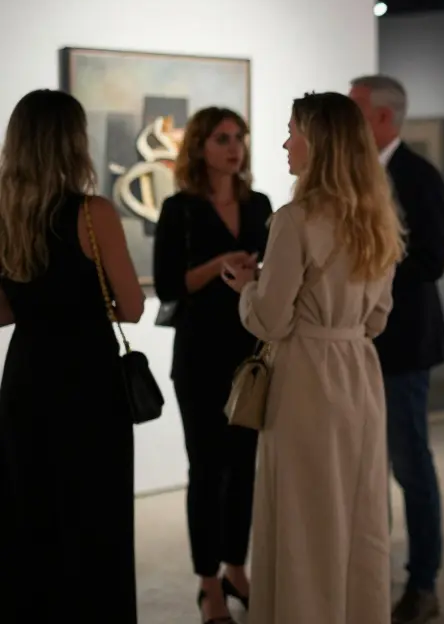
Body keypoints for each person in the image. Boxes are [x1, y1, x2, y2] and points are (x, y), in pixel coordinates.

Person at [222, 92, 401, 624]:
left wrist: (246, 288)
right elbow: (377, 319)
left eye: (292, 131)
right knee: (358, 512)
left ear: (317, 142)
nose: (284, 142)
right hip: (359, 373)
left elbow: (270, 320)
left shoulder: (294, 220)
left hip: (305, 378)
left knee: (304, 517)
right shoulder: (377, 218)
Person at [0, 89, 145, 622]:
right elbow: (130, 307)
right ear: (71, 143)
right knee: (94, 520)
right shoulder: (93, 213)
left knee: (28, 516)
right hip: (87, 383)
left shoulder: (6, 214)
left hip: (25, 379)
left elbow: (3, 312)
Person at [154, 106, 273, 623]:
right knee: (206, 470)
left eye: (239, 138)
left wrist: (255, 271)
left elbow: (275, 272)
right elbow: (167, 285)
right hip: (199, 355)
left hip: (248, 353)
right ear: (200, 145)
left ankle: (236, 568)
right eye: (223, 138)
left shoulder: (261, 203)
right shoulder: (179, 209)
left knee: (244, 468)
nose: (234, 147)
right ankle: (208, 583)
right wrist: (219, 265)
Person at [349, 75, 444, 623]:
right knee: (365, 467)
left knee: (411, 465)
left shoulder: (418, 176)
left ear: (383, 118)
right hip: (356, 343)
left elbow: (431, 259)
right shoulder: (356, 175)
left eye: (354, 108)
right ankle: (369, 572)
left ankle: (423, 582)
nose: (346, 118)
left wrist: (364, 266)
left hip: (403, 344)